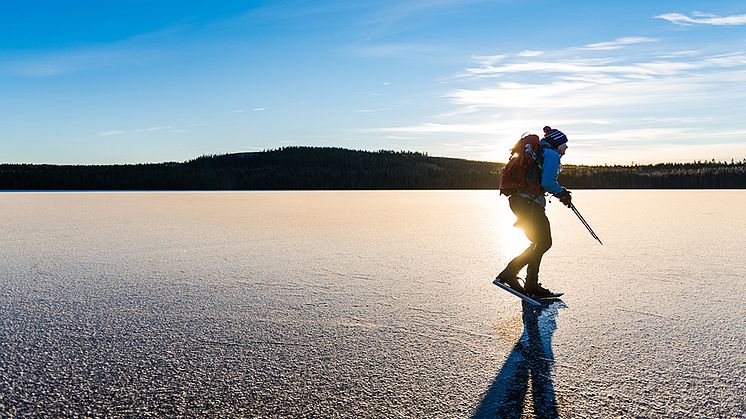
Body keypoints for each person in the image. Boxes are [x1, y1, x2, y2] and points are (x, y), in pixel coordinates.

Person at [496, 126, 571, 298]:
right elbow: (548, 182)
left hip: (518, 201)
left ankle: (529, 284)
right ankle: (512, 275)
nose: (566, 149)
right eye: (564, 144)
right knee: (544, 242)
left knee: (538, 241)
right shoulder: (550, 154)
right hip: (529, 203)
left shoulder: (539, 152)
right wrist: (563, 194)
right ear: (557, 143)